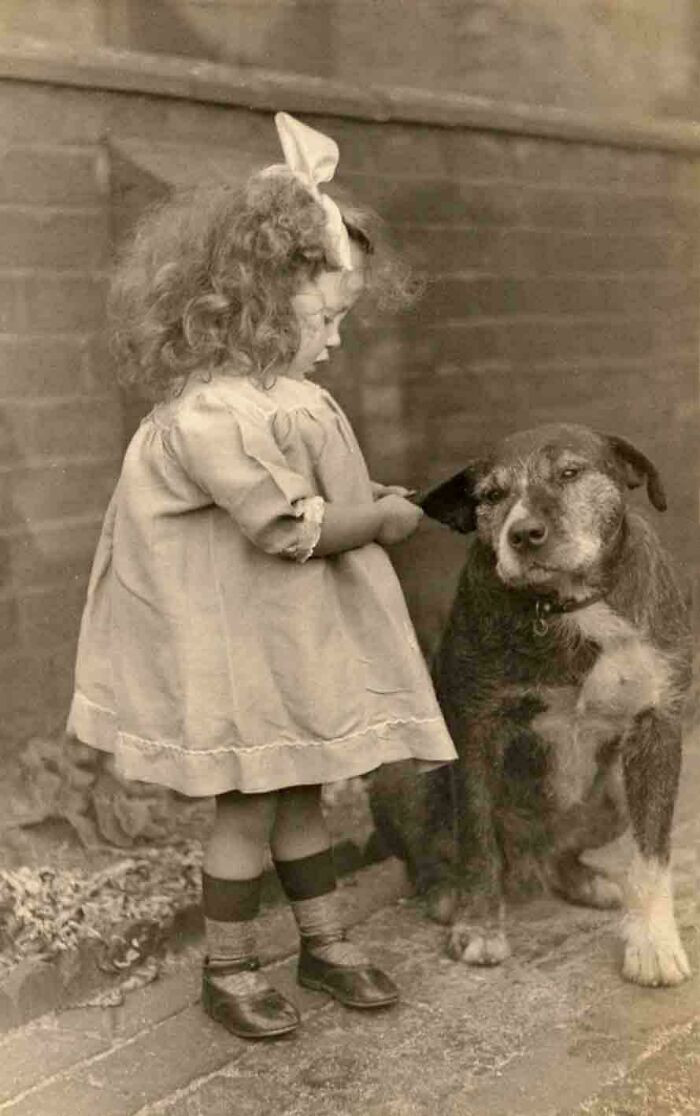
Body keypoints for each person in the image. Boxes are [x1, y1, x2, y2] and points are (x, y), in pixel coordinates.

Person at [67, 112, 457, 1039]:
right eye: (325, 319)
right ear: (254, 304)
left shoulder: (295, 399)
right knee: (247, 805)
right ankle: (229, 969)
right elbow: (289, 525)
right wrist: (384, 521)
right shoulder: (208, 416)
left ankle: (324, 942)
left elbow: (332, 495)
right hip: (237, 650)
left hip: (287, 642)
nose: (334, 340)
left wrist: (374, 499)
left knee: (306, 795)